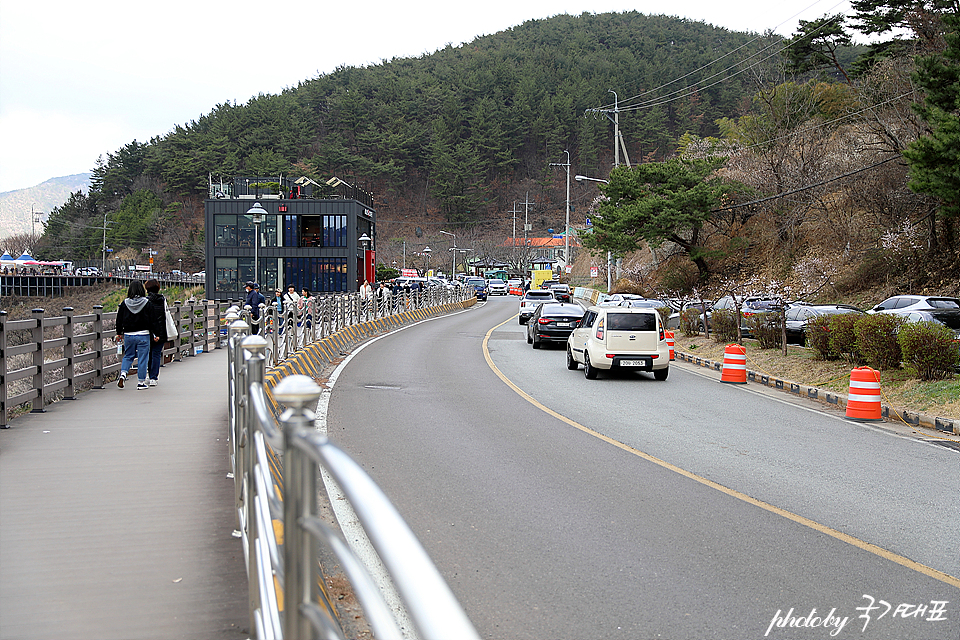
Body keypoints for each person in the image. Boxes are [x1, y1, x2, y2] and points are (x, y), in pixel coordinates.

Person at [116, 280, 162, 390]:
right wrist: (156, 334)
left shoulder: (124, 303)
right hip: (143, 335)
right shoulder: (147, 303)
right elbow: (153, 320)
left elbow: (119, 319)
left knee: (128, 355)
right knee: (143, 358)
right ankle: (141, 382)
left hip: (128, 335)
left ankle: (123, 374)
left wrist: (119, 333)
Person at [144, 279, 168, 387]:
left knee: (148, 353)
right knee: (156, 354)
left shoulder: (145, 301)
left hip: (149, 331)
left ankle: (149, 375)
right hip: (161, 330)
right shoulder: (162, 299)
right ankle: (154, 377)